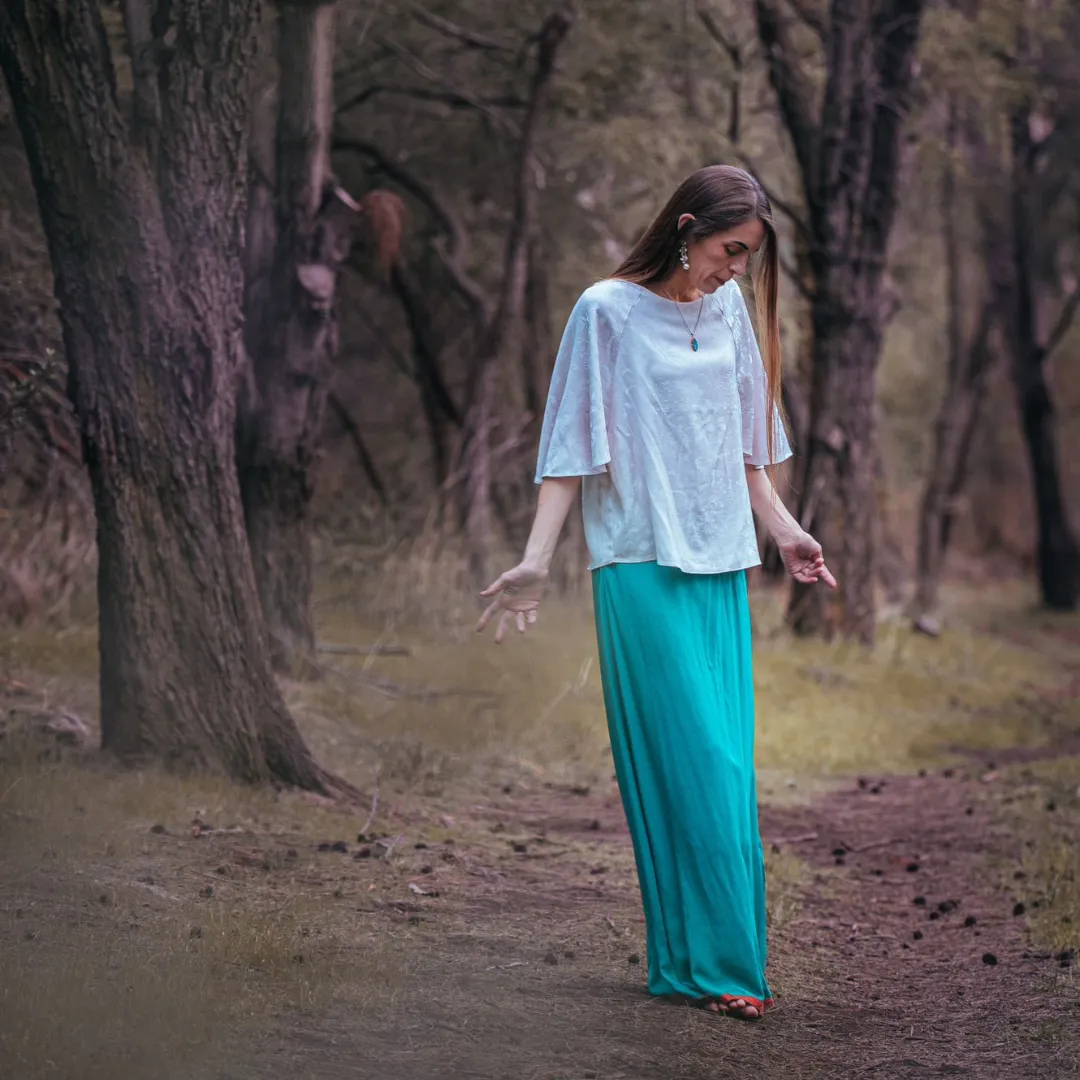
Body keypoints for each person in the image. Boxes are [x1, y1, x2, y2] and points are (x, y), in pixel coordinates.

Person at [475, 164, 837, 1022]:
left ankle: (687, 965)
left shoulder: (729, 313)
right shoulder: (605, 311)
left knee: (726, 771)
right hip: (639, 562)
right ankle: (727, 968)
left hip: (722, 564)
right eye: (729, 250)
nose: (734, 269)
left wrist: (787, 533)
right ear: (686, 229)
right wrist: (535, 561)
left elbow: (748, 454)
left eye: (747, 258)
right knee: (697, 762)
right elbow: (570, 448)